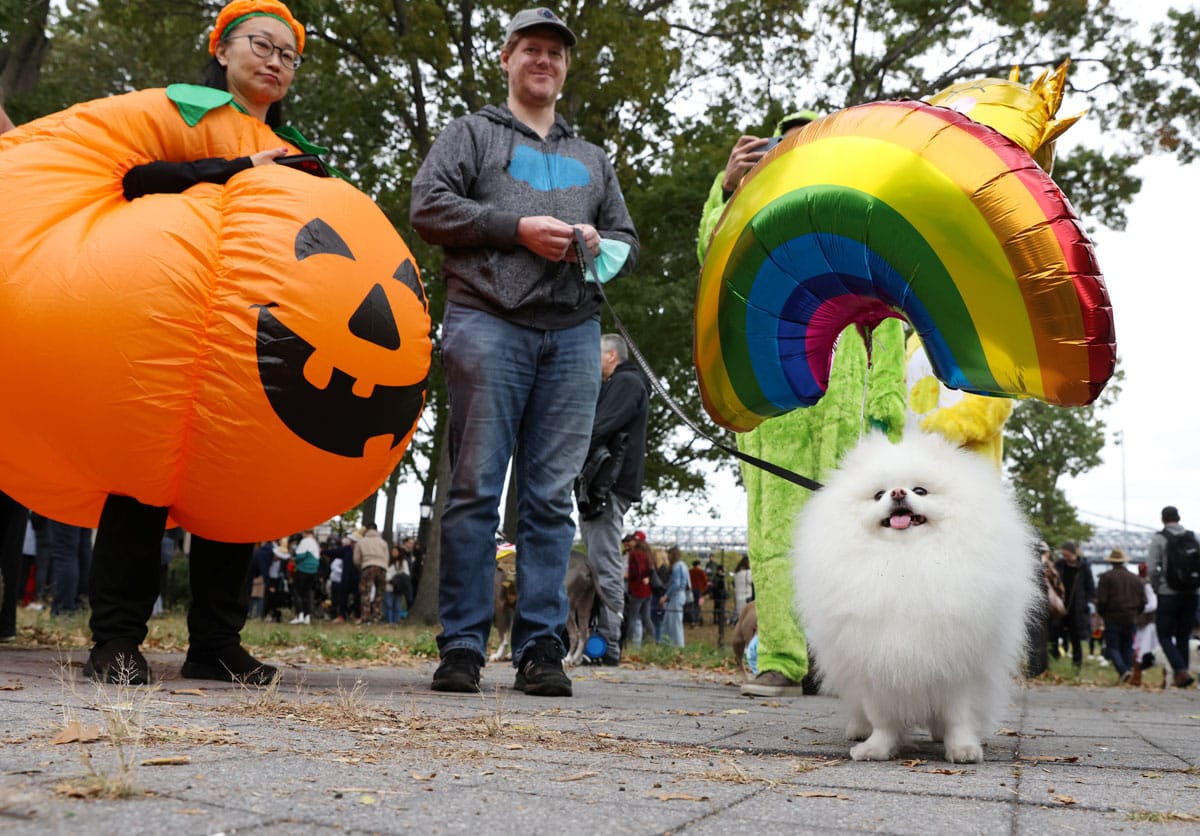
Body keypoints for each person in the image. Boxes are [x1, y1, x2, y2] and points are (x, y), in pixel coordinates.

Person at [68, 0, 322, 687]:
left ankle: (216, 644)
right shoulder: (180, 113)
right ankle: (116, 640)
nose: (274, 61)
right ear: (222, 49)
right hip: (159, 324)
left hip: (248, 339)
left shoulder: (300, 149)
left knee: (233, 489)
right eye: (260, 46)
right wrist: (236, 169)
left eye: (288, 55)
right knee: (140, 484)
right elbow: (132, 180)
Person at [409, 7, 638, 697]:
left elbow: (624, 240)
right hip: (485, 323)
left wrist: (599, 246)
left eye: (555, 54)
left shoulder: (592, 159)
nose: (544, 61)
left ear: (566, 68)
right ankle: (463, 646)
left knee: (548, 497)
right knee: (475, 488)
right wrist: (515, 228)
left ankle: (541, 647)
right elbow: (428, 207)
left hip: (572, 335)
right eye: (531, 49)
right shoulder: (470, 134)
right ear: (506, 58)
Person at [697, 110, 908, 697]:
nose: (792, 144)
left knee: (852, 530)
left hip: (843, 401)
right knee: (774, 534)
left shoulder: (854, 213)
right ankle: (784, 660)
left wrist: (886, 400)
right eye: (782, 139)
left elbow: (888, 313)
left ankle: (843, 663)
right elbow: (712, 263)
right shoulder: (754, 207)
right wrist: (728, 187)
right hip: (772, 399)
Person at [577, 334, 650, 665]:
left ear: (610, 355)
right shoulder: (626, 384)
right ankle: (601, 639)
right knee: (598, 562)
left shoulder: (626, 384)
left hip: (607, 485)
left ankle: (607, 643)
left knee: (604, 565)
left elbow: (600, 427)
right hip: (605, 485)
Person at [1146, 506, 1198, 688]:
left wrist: (1157, 587)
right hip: (1192, 593)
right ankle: (1182, 677)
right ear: (1179, 518)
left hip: (1168, 593)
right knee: (1184, 635)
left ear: (1163, 519)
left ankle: (1181, 670)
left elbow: (1152, 568)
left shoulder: (1159, 538)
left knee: (1165, 635)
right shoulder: (1193, 537)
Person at [1095, 547, 1147, 683]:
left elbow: (1102, 600)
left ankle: (1123, 671)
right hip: (1131, 617)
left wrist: (1102, 613)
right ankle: (1128, 671)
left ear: (1112, 562)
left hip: (1112, 617)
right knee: (1128, 646)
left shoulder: (1106, 578)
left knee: (1113, 647)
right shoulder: (1136, 579)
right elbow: (1144, 601)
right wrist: (1136, 613)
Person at [1054, 541, 1096, 672]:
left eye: (1067, 555)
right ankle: (1054, 660)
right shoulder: (1059, 565)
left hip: (1078, 608)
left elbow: (1090, 587)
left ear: (1074, 554)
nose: (1065, 558)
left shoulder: (1084, 567)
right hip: (1059, 606)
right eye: (1063, 555)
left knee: (1076, 638)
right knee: (1055, 633)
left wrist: (1089, 603)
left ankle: (1076, 666)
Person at [1130, 562, 1160, 686]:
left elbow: (1153, 604)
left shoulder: (1145, 584)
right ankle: (1137, 676)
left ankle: (1137, 677)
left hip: (1148, 623)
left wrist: (1139, 610)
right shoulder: (1148, 583)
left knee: (1141, 649)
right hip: (1147, 622)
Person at [353, 524, 389, 624]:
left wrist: (361, 565)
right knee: (380, 593)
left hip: (367, 566)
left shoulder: (361, 542)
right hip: (381, 567)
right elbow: (386, 558)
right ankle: (377, 616)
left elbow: (356, 559)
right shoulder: (383, 542)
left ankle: (365, 616)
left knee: (365, 593)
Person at [623, 538, 655, 649]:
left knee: (633, 617)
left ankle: (630, 641)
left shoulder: (634, 555)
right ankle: (651, 639)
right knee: (646, 617)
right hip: (647, 590)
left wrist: (626, 576)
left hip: (637, 589)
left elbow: (635, 572)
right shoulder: (648, 556)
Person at [661, 546, 691, 647]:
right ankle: (670, 644)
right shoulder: (683, 565)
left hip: (676, 596)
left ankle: (677, 645)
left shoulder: (676, 566)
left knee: (674, 623)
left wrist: (666, 595)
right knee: (673, 621)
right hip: (681, 595)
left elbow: (676, 584)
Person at [291, 529, 320, 624]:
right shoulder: (315, 543)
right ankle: (307, 616)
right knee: (308, 593)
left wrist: (294, 559)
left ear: (305, 533)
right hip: (313, 571)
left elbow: (299, 556)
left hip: (303, 569)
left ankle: (300, 615)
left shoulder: (304, 541)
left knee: (298, 593)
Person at [731, 555, 752, 625]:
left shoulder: (736, 573)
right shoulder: (748, 572)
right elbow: (752, 581)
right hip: (747, 597)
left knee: (741, 616)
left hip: (738, 597)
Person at [687, 560, 709, 625]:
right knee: (698, 605)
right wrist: (704, 589)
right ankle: (696, 619)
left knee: (692, 604)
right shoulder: (701, 571)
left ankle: (692, 620)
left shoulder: (689, 571)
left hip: (691, 590)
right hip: (699, 591)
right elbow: (705, 581)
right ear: (698, 565)